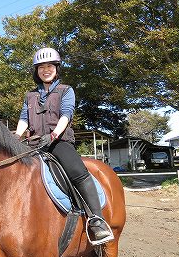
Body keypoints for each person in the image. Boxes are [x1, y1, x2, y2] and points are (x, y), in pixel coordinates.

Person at [14, 47, 113, 245]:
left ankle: (97, 219)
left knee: (78, 171)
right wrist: (16, 137)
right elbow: (24, 118)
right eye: (41, 67)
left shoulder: (66, 91)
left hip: (58, 141)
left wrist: (53, 135)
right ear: (36, 71)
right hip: (33, 142)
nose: (46, 70)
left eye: (50, 66)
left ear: (57, 68)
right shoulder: (30, 96)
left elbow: (66, 114)